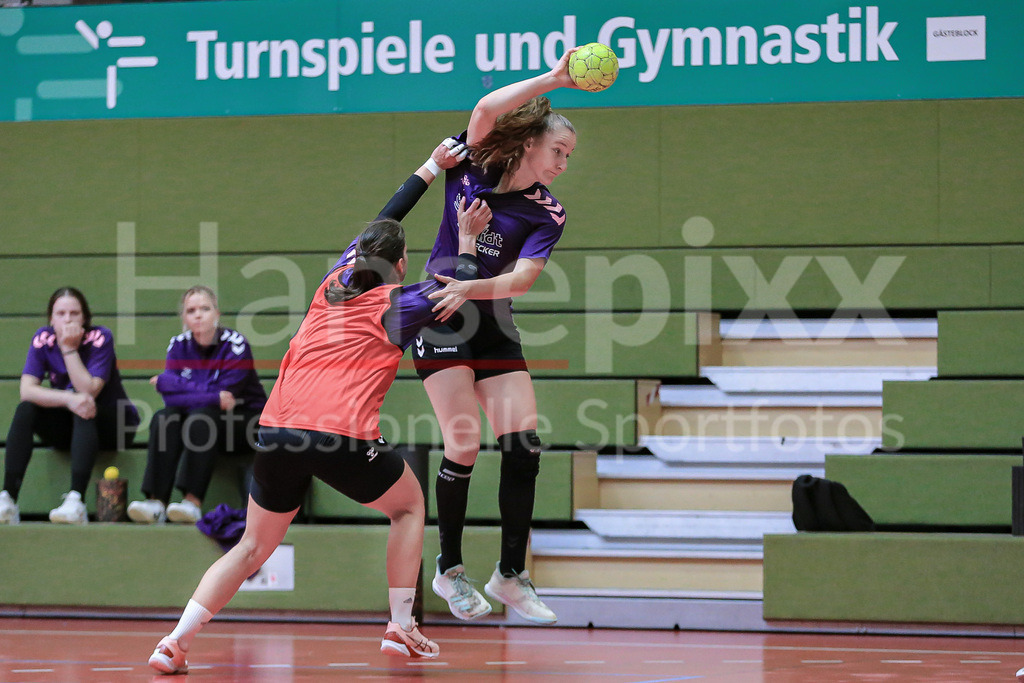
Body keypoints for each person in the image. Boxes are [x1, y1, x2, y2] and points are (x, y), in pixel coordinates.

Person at [147, 139, 491, 674]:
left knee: (251, 547)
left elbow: (385, 218)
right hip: (339, 437)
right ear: (401, 264)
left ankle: (174, 642)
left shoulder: (332, 283)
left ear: (359, 255)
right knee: (408, 507)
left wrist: (430, 167)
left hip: (278, 432)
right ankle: (401, 624)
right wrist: (467, 239)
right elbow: (461, 286)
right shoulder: (398, 304)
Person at [418, 49, 580, 625]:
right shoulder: (477, 164)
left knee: (524, 445)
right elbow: (487, 107)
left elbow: (523, 279)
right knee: (463, 445)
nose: (563, 163)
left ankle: (510, 574)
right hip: (441, 312)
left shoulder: (548, 213)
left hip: (489, 315)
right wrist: (556, 80)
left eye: (569, 156)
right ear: (531, 143)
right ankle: (450, 570)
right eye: (558, 150)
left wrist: (477, 290)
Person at [127, 286, 267, 525]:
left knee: (201, 417)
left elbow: (226, 402)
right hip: (203, 419)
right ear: (184, 317)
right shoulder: (178, 345)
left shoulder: (236, 345)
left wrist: (175, 384)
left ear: (217, 314)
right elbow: (172, 399)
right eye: (191, 310)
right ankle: (156, 503)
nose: (198, 315)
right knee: (165, 417)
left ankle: (192, 503)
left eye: (205, 308)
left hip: (245, 423)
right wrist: (211, 396)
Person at [0, 287, 140, 525]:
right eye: (61, 313)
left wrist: (69, 348)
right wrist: (68, 399)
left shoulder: (100, 337)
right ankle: (8, 499)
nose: (67, 319)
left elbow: (87, 390)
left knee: (85, 406)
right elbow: (27, 390)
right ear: (51, 319)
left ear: (84, 318)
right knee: (26, 409)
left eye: (74, 313)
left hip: (113, 426)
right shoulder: (43, 338)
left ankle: (76, 501)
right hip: (71, 424)